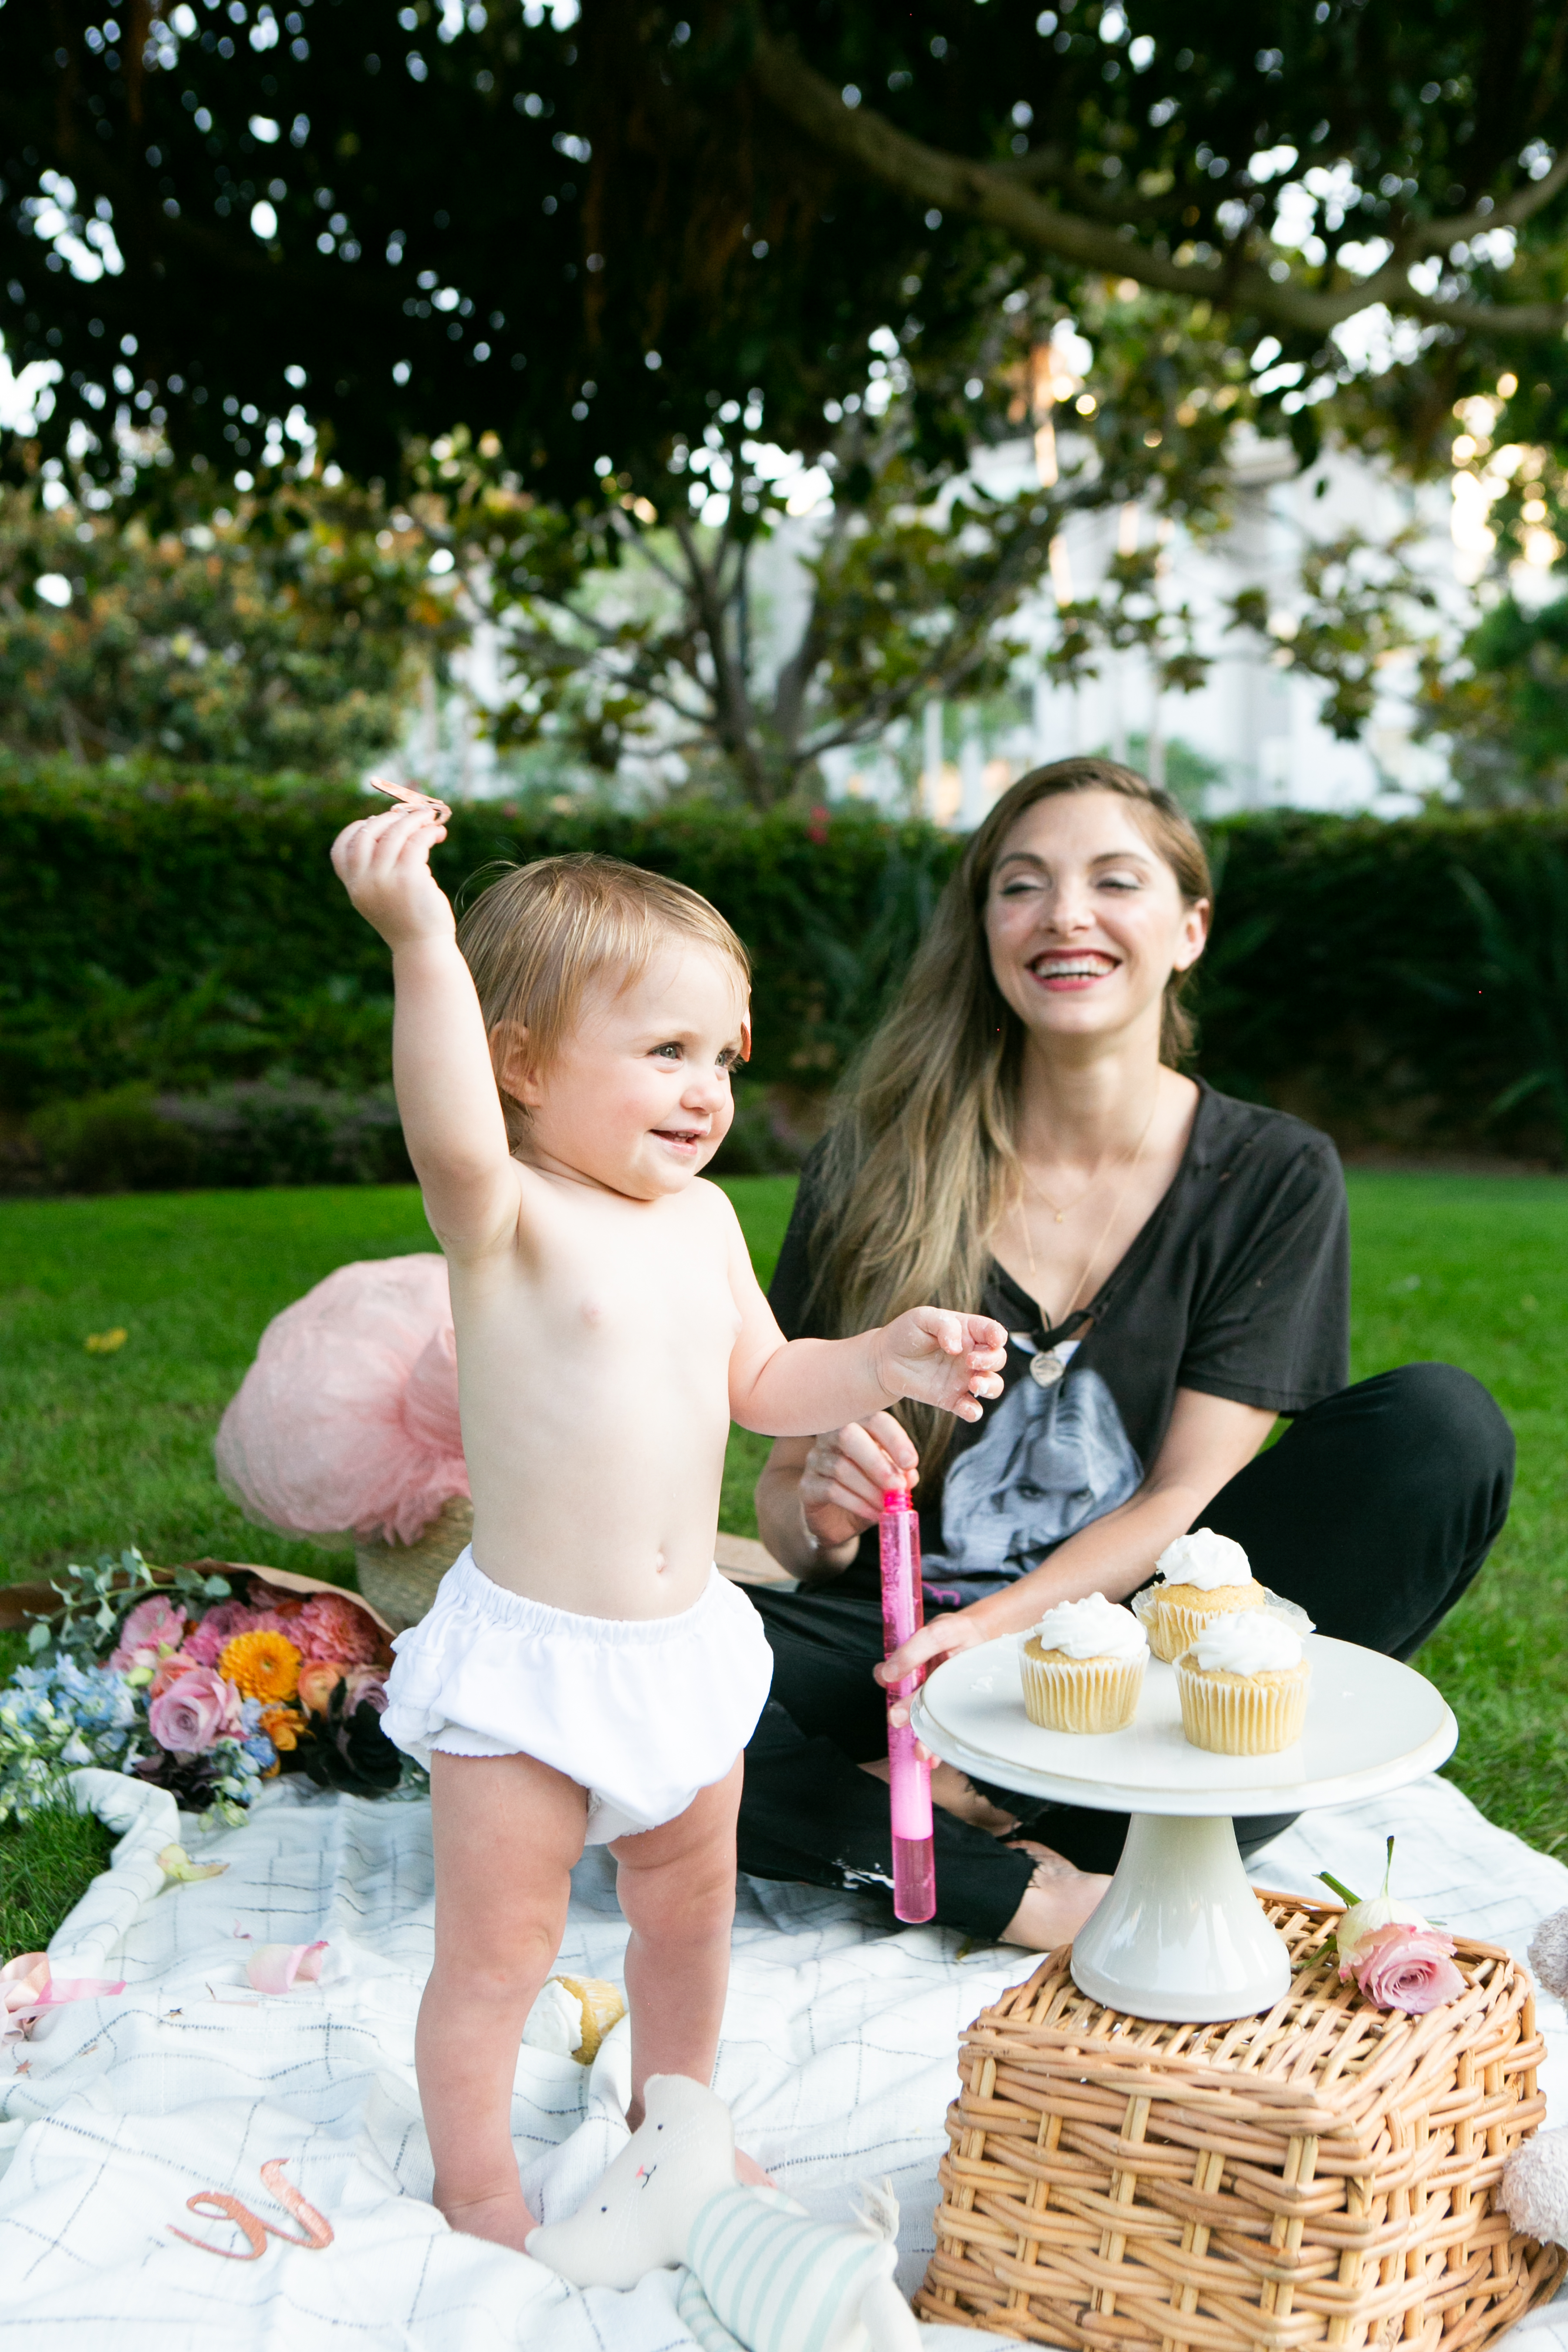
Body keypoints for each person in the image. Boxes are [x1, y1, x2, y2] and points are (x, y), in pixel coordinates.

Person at [328, 807, 1008, 2252]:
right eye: (662, 1050)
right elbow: (445, 1124)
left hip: (683, 1650)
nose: (704, 1090)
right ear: (520, 1061)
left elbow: (764, 1380)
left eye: (721, 1054)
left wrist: (884, 1354)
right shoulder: (507, 1216)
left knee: (687, 1922)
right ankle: (476, 2183)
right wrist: (421, 942)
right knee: (499, 1951)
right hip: (536, 1669)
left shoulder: (699, 1221)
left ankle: (676, 2120)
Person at [743, 759, 1515, 1951]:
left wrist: (1005, 1635)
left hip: (1147, 1662)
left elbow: (1186, 1494)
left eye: (1115, 881)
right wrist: (826, 1522)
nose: (1065, 916)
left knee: (1441, 1431)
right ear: (986, 927)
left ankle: (933, 1808)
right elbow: (792, 1516)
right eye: (1023, 886)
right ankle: (1029, 1884)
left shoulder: (1269, 1174)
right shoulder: (872, 1167)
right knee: (590, 1674)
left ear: (1188, 928)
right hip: (897, 1657)